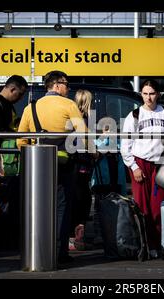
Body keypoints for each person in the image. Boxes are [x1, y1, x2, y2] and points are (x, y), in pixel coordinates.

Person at [17, 70, 88, 263]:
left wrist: (31, 155)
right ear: (56, 85)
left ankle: (37, 248)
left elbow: (20, 138)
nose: (69, 88)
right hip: (63, 164)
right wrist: (93, 152)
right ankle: (59, 251)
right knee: (62, 206)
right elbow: (83, 134)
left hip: (37, 165)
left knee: (38, 205)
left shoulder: (30, 108)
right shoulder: (69, 104)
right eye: (66, 84)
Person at [120, 79, 164, 259]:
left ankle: (158, 245)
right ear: (141, 94)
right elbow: (125, 145)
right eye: (145, 93)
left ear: (157, 94)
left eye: (151, 93)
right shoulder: (134, 115)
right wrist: (133, 167)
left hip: (160, 164)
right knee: (142, 208)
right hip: (140, 163)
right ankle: (144, 246)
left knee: (158, 207)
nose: (148, 98)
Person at [0, 75, 28, 178]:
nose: (21, 98)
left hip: (7, 154)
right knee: (1, 186)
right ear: (12, 89)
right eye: (20, 94)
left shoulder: (6, 104)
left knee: (8, 186)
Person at [70, 89, 95, 250]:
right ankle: (77, 238)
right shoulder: (84, 118)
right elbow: (86, 140)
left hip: (73, 162)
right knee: (83, 200)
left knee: (73, 198)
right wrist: (94, 151)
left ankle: (72, 237)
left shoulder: (70, 116)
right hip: (82, 163)